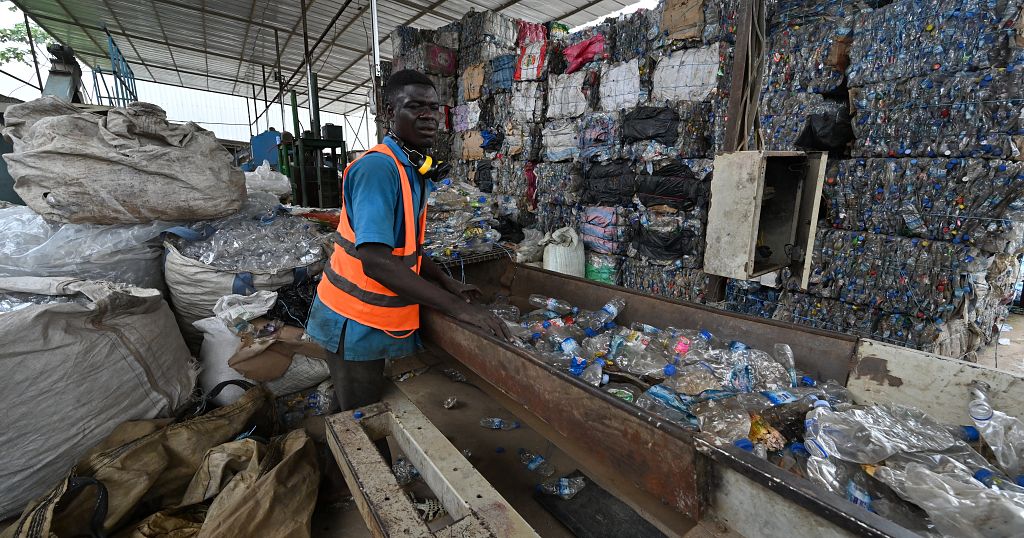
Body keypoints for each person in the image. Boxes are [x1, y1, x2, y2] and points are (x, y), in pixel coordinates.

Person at [307, 69, 511, 412]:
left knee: (358, 404)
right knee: (358, 418)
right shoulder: (378, 171)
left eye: (433, 108)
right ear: (389, 111)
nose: (428, 116)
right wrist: (459, 309)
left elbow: (406, 245)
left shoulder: (410, 169)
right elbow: (377, 261)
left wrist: (446, 281)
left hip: (372, 315)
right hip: (352, 317)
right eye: (415, 107)